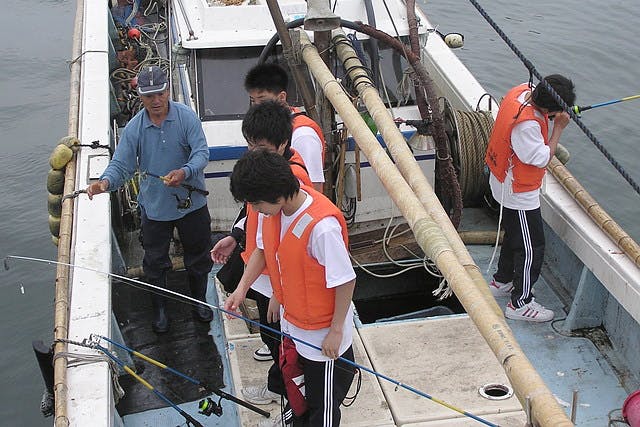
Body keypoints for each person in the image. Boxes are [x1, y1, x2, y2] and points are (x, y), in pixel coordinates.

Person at [225, 150, 356, 426]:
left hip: (323, 340)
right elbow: (264, 249)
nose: (256, 210)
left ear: (277, 194)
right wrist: (243, 290)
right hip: (293, 326)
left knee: (323, 408)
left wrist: (335, 330)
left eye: (258, 203)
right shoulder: (272, 212)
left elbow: (346, 280)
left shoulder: (322, 229)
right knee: (298, 394)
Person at [86, 65, 213, 333]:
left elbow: (201, 153)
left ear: (167, 90)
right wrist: (104, 183)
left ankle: (199, 300)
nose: (156, 101)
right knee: (154, 263)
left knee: (198, 257)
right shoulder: (134, 129)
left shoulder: (187, 118)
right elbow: (121, 165)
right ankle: (160, 310)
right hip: (155, 208)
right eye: (149, 96)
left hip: (193, 205)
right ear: (140, 97)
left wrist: (185, 172)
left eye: (160, 93)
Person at [210, 101, 312, 408]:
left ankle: (283, 388)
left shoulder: (291, 185)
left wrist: (281, 292)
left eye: (262, 146)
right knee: (274, 337)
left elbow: (293, 248)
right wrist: (235, 236)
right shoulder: (265, 177)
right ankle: (284, 378)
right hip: (262, 275)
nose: (254, 151)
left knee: (285, 343)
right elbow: (256, 223)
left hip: (279, 284)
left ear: (282, 144)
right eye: (250, 144)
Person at [485, 74, 576, 322]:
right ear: (549, 108)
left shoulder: (521, 91)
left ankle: (502, 281)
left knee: (514, 236)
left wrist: (552, 115)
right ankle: (520, 303)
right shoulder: (526, 127)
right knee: (531, 247)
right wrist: (558, 128)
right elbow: (541, 158)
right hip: (518, 192)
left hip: (502, 180)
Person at [244, 63, 325, 192]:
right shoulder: (263, 125)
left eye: (262, 100)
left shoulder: (303, 135)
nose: (256, 106)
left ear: (282, 97)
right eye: (253, 101)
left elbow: (314, 187)